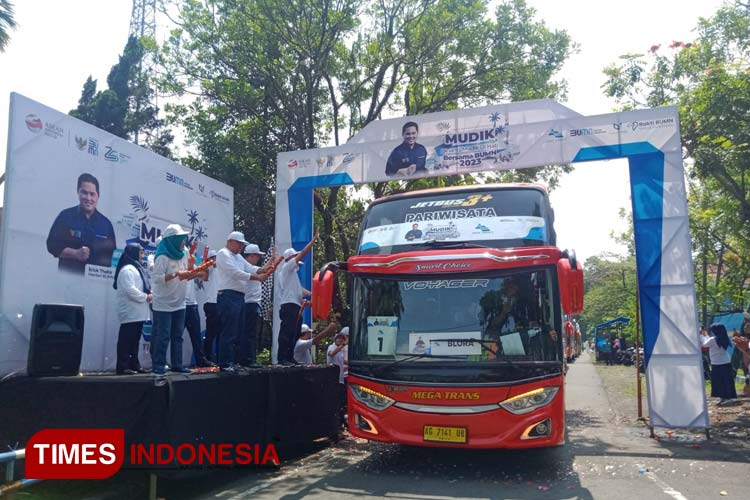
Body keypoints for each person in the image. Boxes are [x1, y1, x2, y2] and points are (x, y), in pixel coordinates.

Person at [216, 231, 270, 373]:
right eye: (239, 243)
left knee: (237, 331)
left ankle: (233, 361)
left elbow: (250, 268)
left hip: (240, 297)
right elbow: (234, 272)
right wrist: (257, 277)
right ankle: (225, 362)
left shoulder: (238, 257)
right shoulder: (223, 254)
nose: (241, 246)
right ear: (230, 241)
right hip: (227, 295)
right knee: (229, 330)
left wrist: (263, 269)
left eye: (242, 244)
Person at [46, 173, 116, 273]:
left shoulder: (106, 225)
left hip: (96, 284)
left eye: (92, 194)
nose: (88, 198)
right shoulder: (65, 217)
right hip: (67, 282)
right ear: (78, 192)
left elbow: (113, 258)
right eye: (84, 192)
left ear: (98, 196)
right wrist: (75, 253)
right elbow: (52, 246)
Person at [150, 224, 192, 376]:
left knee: (178, 335)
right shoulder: (162, 256)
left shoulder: (184, 252)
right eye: (181, 239)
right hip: (163, 303)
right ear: (173, 240)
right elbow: (157, 279)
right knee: (163, 335)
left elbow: (187, 270)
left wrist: (190, 272)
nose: (184, 242)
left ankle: (177, 365)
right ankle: (158, 365)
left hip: (179, 301)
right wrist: (175, 274)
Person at [277, 229, 319, 365]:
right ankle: (282, 358)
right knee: (286, 332)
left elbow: (300, 291)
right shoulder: (287, 267)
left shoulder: (292, 275)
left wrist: (314, 295)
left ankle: (289, 357)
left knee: (294, 333)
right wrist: (312, 242)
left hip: (295, 306)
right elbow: (301, 255)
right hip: (288, 305)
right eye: (295, 257)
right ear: (290, 258)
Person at [113, 242, 152, 375]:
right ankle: (122, 367)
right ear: (134, 253)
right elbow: (130, 290)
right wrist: (146, 297)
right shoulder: (128, 269)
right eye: (141, 253)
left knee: (134, 342)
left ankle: (134, 365)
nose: (142, 256)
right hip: (130, 312)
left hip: (138, 312)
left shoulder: (136, 268)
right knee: (126, 341)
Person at [241, 244, 280, 367]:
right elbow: (263, 272)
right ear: (251, 255)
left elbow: (264, 269)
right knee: (250, 333)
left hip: (253, 303)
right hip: (250, 303)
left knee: (251, 332)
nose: (258, 258)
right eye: (257, 255)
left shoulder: (249, 267)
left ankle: (249, 358)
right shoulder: (246, 267)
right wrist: (273, 261)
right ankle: (249, 359)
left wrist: (273, 258)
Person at [184, 252, 215, 368]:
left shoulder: (196, 267)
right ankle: (175, 362)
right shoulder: (178, 267)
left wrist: (204, 266)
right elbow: (188, 275)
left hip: (192, 304)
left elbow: (204, 276)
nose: (192, 258)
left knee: (196, 335)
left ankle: (201, 361)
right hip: (180, 304)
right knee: (176, 336)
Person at [701, 323, 737, 405]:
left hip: (716, 363)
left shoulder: (712, 339)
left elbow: (704, 344)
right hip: (726, 362)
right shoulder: (725, 338)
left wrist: (704, 335)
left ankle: (723, 398)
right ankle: (730, 397)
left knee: (718, 381)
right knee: (727, 380)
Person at [200, 250, 221, 362]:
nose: (216, 259)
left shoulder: (219, 270)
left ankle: (219, 357)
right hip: (211, 304)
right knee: (210, 333)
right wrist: (211, 262)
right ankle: (208, 357)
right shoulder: (207, 270)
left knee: (220, 333)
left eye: (216, 257)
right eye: (213, 257)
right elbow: (207, 270)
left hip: (221, 304)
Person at [327, 327, 349, 427]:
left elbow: (343, 361)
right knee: (336, 402)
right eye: (338, 338)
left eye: (342, 339)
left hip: (340, 379)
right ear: (335, 339)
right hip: (333, 379)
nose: (340, 340)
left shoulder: (340, 350)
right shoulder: (332, 347)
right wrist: (342, 345)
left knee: (342, 401)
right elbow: (331, 354)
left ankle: (341, 422)